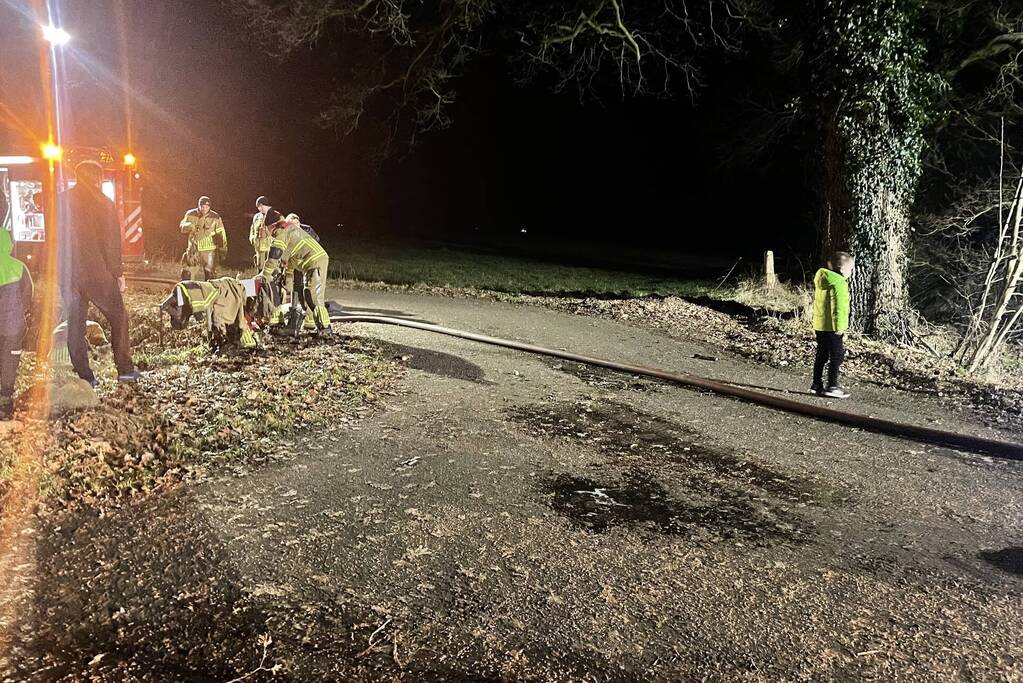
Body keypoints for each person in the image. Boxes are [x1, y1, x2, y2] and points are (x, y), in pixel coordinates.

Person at [61, 160, 139, 386]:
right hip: (97, 273)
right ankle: (125, 369)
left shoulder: (61, 200)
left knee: (75, 324)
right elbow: (111, 242)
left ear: (78, 176)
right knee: (119, 317)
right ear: (98, 178)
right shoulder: (103, 202)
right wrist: (118, 273)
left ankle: (85, 376)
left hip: (68, 273)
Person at [262, 209, 331, 335]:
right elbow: (289, 259)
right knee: (307, 293)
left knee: (313, 296)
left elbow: (275, 253)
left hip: (315, 262)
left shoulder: (282, 231)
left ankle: (325, 328)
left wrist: (265, 274)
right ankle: (313, 323)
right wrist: (286, 277)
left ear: (271, 226)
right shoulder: (289, 229)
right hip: (311, 262)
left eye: (266, 228)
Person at [811, 251, 855, 399]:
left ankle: (816, 384)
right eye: (850, 269)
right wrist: (840, 328)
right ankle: (833, 385)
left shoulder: (822, 280)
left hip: (820, 325)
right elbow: (839, 308)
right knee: (836, 356)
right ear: (842, 269)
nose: (851, 272)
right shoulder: (839, 283)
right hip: (833, 328)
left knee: (821, 355)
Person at [0, 225, 32, 419]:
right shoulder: (19, 267)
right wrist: (21, 313)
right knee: (9, 361)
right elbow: (28, 295)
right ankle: (5, 400)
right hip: (13, 326)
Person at [179, 196, 227, 280]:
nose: (205, 209)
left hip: (209, 251)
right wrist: (190, 226)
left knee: (210, 277)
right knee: (187, 274)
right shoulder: (190, 214)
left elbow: (221, 235)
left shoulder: (215, 217)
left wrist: (223, 250)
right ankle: (187, 288)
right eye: (202, 206)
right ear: (199, 205)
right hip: (193, 250)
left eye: (207, 207)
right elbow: (182, 227)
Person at [250, 196, 273, 271]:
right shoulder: (257, 216)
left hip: (270, 247)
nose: (259, 209)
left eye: (260, 206)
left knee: (270, 268)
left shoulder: (273, 215)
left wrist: (266, 232)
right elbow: (252, 228)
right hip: (259, 247)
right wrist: (252, 239)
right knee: (260, 267)